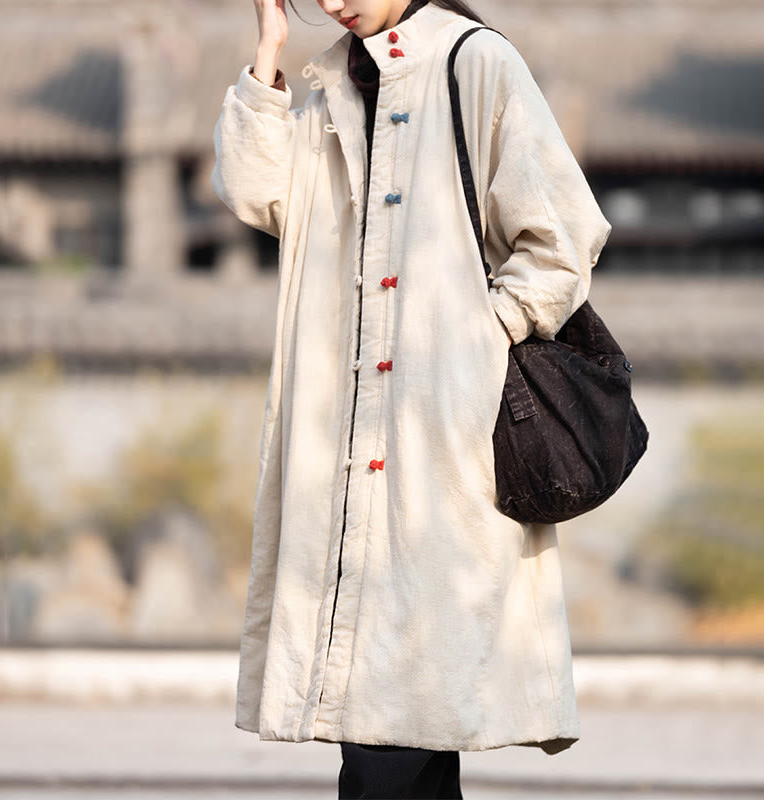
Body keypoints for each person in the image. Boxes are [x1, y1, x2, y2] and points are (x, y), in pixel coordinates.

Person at [211, 0, 612, 794]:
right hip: (343, 448)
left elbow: (563, 235)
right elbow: (262, 198)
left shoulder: (475, 64)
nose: (329, 2)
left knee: (392, 730)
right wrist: (269, 51)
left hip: (442, 452)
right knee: (404, 735)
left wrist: (474, 337)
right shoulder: (327, 84)